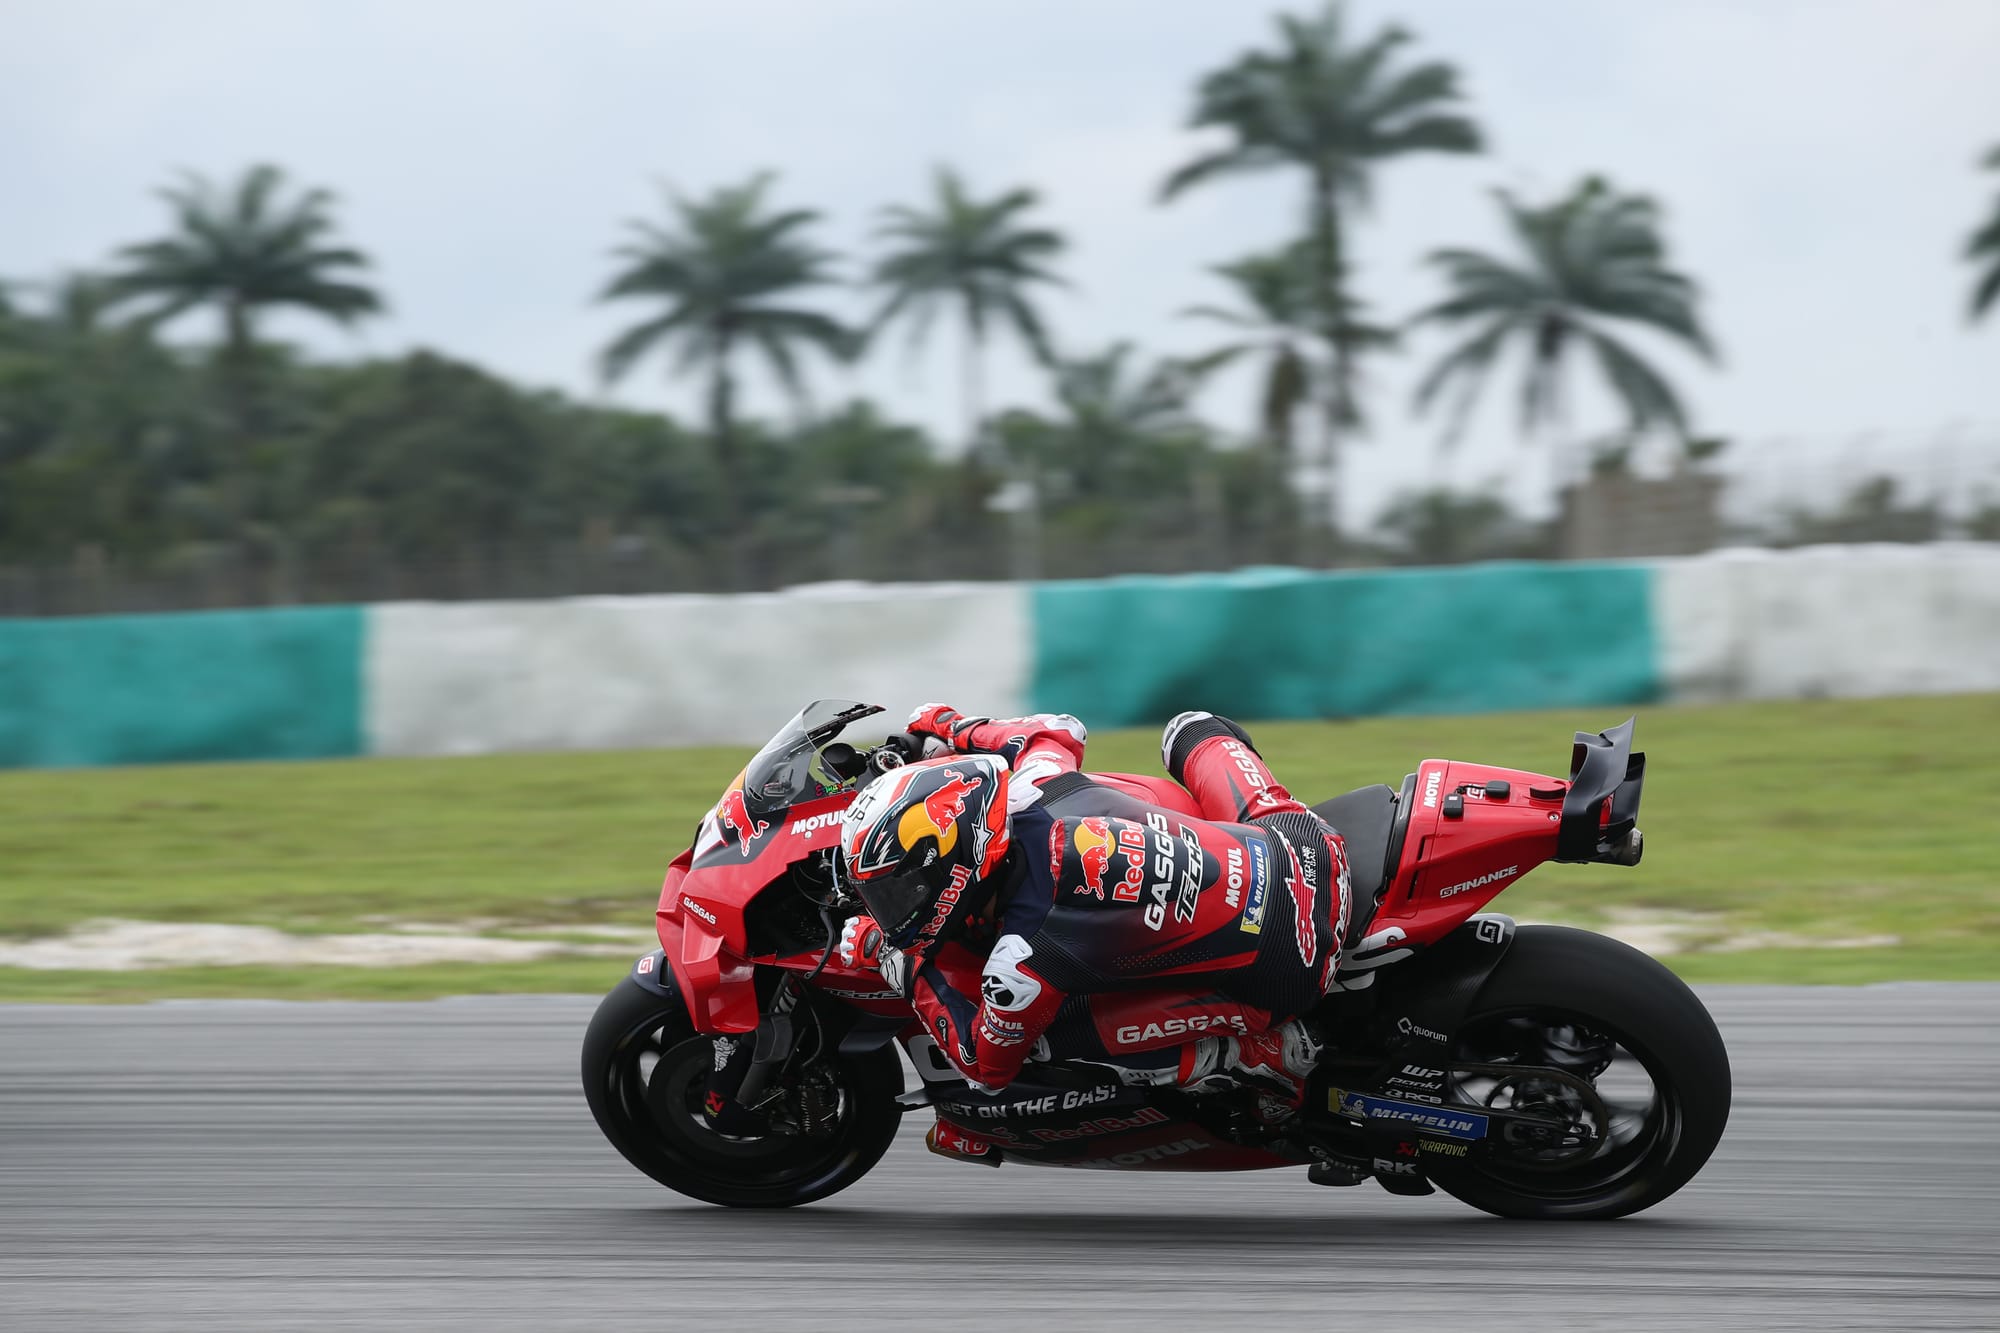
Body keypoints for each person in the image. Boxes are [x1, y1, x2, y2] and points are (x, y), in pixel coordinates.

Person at [835, 704, 1351, 1164]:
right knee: (1191, 727)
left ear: (955, 869)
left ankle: (1259, 1054)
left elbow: (984, 1065)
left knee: (1041, 1044)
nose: (891, 905)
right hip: (1306, 845)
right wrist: (951, 726)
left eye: (899, 889)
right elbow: (1056, 731)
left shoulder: (1020, 959)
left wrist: (895, 961)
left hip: (1290, 967)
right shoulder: (1038, 786)